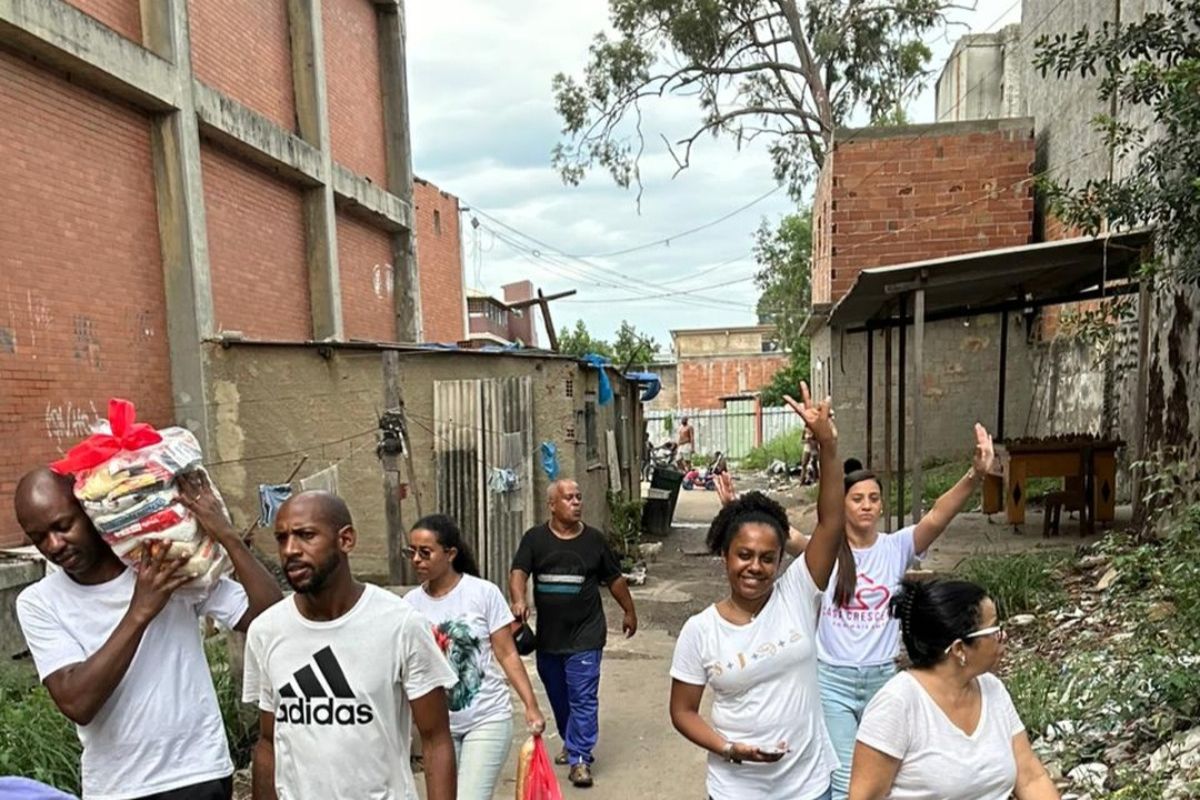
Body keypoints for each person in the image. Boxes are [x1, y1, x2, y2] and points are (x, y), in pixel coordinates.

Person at [14, 467, 283, 800]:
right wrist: (140, 611)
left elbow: (272, 621)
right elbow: (78, 702)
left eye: (63, 526)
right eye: (39, 537)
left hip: (198, 773)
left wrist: (226, 535)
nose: (54, 544)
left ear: (89, 512)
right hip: (116, 788)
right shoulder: (39, 602)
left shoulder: (166, 566)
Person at [669, 382, 844, 800]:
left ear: (781, 559)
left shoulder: (798, 594)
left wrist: (828, 447)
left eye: (768, 557)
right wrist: (730, 749)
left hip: (808, 787)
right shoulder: (701, 630)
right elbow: (682, 712)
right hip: (736, 790)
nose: (755, 566)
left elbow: (832, 524)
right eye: (744, 554)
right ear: (725, 555)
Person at [243, 491, 458, 800]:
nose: (290, 550)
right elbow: (268, 742)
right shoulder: (266, 631)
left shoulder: (399, 624)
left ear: (346, 540)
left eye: (306, 536)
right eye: (281, 538)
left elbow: (435, 739)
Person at [849, 579, 1060, 800]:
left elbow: (1030, 777)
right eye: (994, 629)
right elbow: (863, 796)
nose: (1003, 636)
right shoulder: (898, 703)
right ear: (959, 649)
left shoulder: (992, 688)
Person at [403, 514, 547, 799]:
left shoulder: (482, 593)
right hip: (437, 730)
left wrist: (531, 705)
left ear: (450, 553)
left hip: (487, 718)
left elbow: (507, 654)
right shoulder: (408, 606)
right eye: (412, 552)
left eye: (425, 552)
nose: (417, 559)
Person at [509, 479, 638, 788]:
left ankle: (580, 758)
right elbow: (519, 571)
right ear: (552, 505)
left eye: (579, 497)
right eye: (569, 498)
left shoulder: (594, 541)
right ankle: (571, 741)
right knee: (558, 693)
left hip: (586, 634)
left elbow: (615, 579)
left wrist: (629, 610)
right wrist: (518, 598)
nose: (577, 502)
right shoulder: (535, 539)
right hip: (550, 637)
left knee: (583, 696)